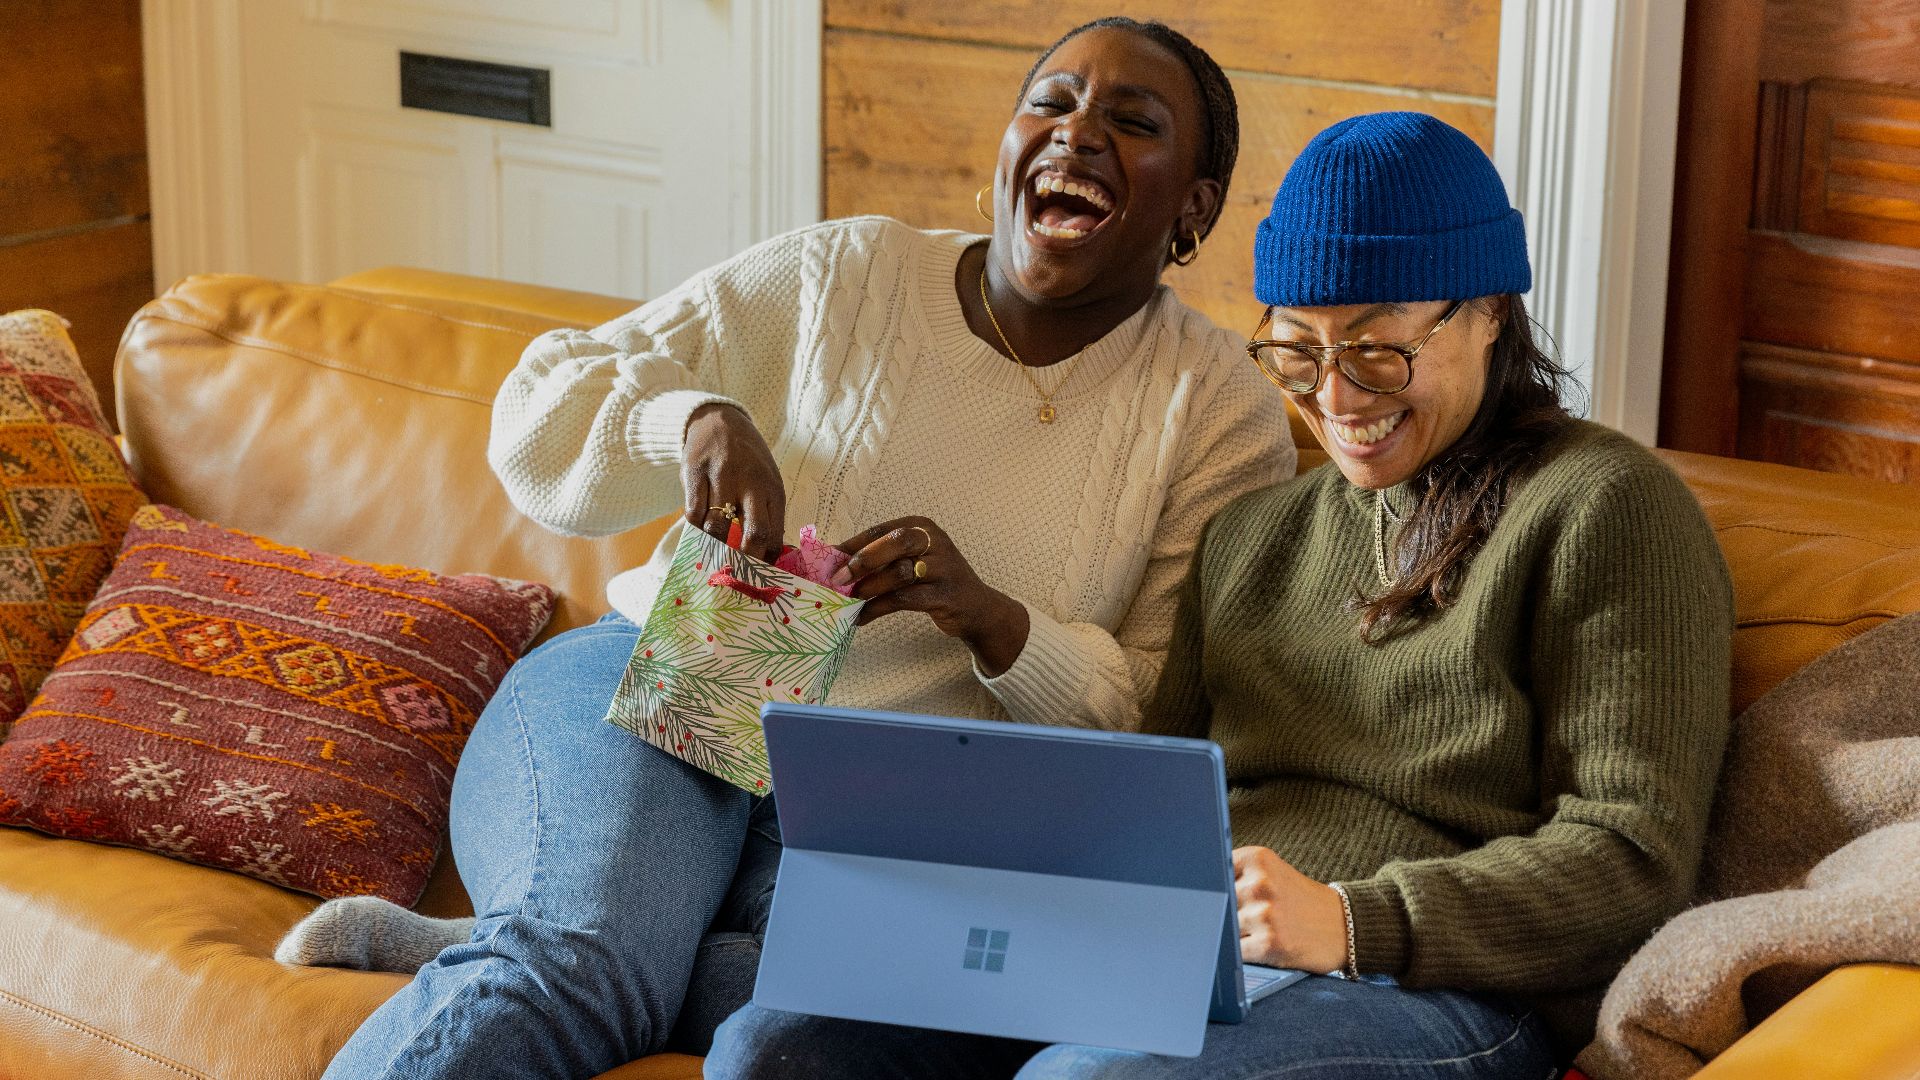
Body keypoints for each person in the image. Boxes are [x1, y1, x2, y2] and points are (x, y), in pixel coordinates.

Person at [295, 17, 1292, 1080]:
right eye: (1050, 103)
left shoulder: (1218, 408)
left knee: (778, 1022)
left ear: (1194, 205)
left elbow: (1163, 710)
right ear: (1007, 150)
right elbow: (537, 408)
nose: (1078, 132)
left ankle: (563, 931)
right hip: (674, 682)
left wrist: (996, 622)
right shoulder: (848, 274)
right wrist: (690, 421)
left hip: (890, 812)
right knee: (577, 970)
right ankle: (567, 938)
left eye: (1132, 123)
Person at [707, 112, 1734, 1079]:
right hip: (1186, 951)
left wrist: (1355, 919)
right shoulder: (1253, 538)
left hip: (1438, 983)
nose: (1335, 399)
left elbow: (1633, 857)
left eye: (1378, 349)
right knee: (776, 1044)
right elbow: (1152, 798)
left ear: (1488, 315)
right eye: (1298, 350)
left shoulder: (1607, 508)